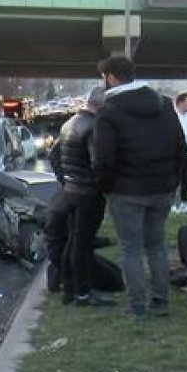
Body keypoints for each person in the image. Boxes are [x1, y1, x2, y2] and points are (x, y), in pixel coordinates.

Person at [92, 56, 187, 320]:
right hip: (161, 189)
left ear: (110, 77)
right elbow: (181, 148)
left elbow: (103, 160)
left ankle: (136, 307)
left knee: (131, 248)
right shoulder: (165, 105)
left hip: (125, 191)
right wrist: (173, 181)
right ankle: (160, 302)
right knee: (156, 245)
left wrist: (105, 187)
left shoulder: (108, 112)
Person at [52, 86, 114, 307]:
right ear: (103, 106)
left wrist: (65, 179)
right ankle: (83, 293)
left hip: (71, 190)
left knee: (72, 242)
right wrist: (105, 185)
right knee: (83, 244)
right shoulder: (93, 127)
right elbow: (98, 163)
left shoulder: (69, 124)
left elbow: (54, 155)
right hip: (88, 193)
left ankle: (68, 290)